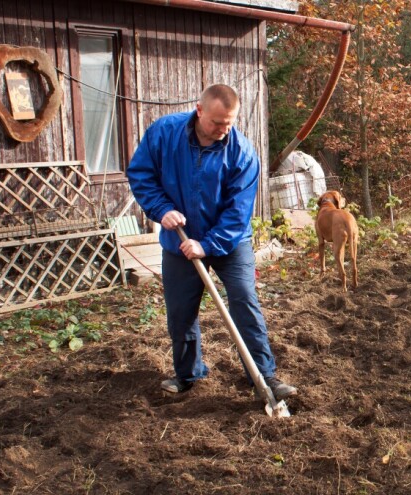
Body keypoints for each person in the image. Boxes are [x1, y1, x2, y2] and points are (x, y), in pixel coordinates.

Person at [127, 84, 297, 400]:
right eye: (217, 122)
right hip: (179, 240)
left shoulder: (243, 154)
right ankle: (188, 375)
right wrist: (162, 210)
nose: (222, 129)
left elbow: (238, 212)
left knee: (245, 300)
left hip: (230, 242)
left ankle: (264, 376)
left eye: (229, 123)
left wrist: (207, 245)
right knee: (181, 311)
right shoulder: (165, 133)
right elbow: (141, 174)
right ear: (199, 110)